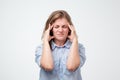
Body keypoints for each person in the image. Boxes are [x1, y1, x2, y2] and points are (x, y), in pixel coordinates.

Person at [35, 10, 86, 80]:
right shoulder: (41, 48)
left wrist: (75, 41)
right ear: (51, 29)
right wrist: (46, 41)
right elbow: (48, 66)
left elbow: (72, 67)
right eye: (56, 27)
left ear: (69, 29)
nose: (60, 30)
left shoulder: (79, 47)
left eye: (64, 26)